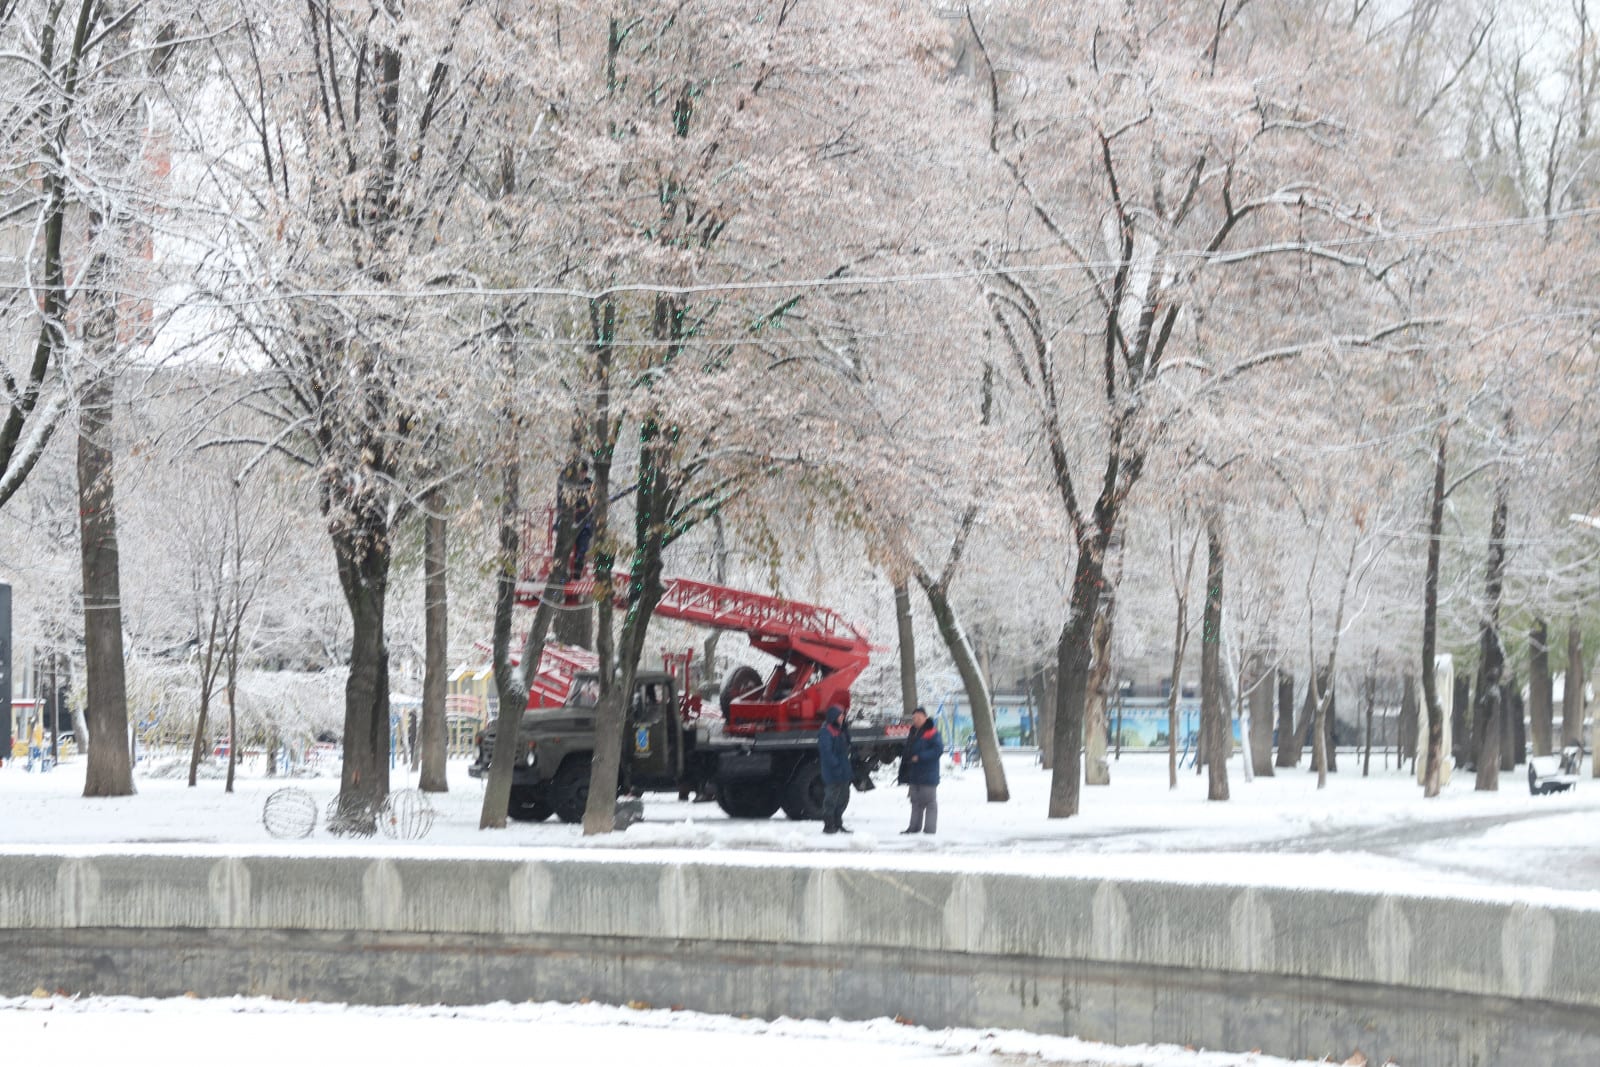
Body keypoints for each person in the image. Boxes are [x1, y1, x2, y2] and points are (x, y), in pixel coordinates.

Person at [901, 705, 942, 835]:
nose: (916, 720)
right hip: (915, 773)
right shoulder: (913, 732)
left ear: (925, 717)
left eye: (919, 717)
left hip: (928, 773)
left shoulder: (932, 732)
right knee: (915, 802)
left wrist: (920, 757)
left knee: (929, 802)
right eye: (914, 718)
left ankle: (929, 830)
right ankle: (914, 827)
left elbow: (937, 750)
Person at [817, 703, 853, 834]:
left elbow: (847, 746)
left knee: (844, 797)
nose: (842, 717)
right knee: (831, 797)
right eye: (840, 715)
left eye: (843, 715)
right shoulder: (826, 731)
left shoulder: (841, 730)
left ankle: (838, 822)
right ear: (833, 716)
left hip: (843, 768)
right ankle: (828, 824)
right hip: (833, 770)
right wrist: (835, 765)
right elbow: (826, 752)